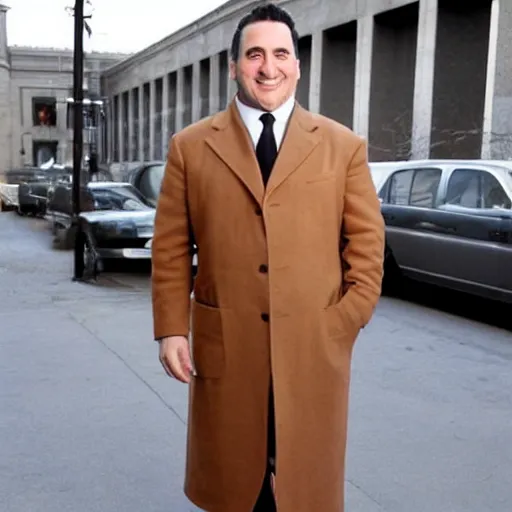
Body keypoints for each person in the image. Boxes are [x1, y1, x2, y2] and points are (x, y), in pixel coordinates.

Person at [151, 4, 385, 512]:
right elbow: (171, 247)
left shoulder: (342, 146)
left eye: (281, 54)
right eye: (254, 54)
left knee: (304, 487)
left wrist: (342, 324)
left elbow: (366, 251)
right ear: (233, 66)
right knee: (235, 486)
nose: (268, 67)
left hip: (312, 346)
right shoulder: (190, 147)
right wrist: (171, 328)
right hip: (227, 345)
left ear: (298, 65)